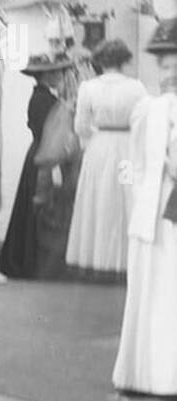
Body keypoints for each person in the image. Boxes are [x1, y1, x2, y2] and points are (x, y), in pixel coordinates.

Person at [112, 22, 177, 398]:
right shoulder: (147, 110)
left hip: (168, 215)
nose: (169, 74)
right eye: (164, 66)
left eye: (175, 66)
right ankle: (144, 374)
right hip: (152, 214)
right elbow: (135, 164)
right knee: (151, 291)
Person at [65, 40, 148, 277]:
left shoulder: (88, 88)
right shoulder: (136, 88)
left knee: (98, 198)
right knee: (126, 197)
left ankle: (97, 259)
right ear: (124, 60)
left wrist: (92, 141)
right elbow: (143, 122)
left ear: (100, 61)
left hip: (99, 149)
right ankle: (124, 259)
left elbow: (80, 126)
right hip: (126, 148)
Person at [0, 50, 74, 279]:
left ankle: (29, 260)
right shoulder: (46, 100)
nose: (60, 75)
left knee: (34, 210)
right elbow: (52, 134)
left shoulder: (42, 97)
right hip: (45, 155)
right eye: (57, 72)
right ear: (47, 75)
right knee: (41, 208)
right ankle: (32, 263)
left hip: (38, 153)